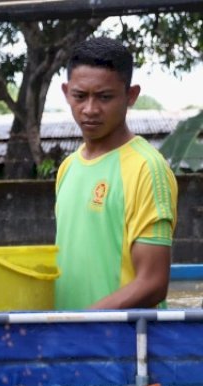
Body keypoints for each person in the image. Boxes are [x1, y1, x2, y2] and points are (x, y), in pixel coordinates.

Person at [54, 37, 178, 310]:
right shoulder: (67, 168)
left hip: (126, 345)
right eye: (79, 96)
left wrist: (83, 322)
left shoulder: (147, 168)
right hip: (69, 344)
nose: (90, 109)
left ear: (131, 95)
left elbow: (153, 282)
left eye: (104, 97)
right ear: (66, 92)